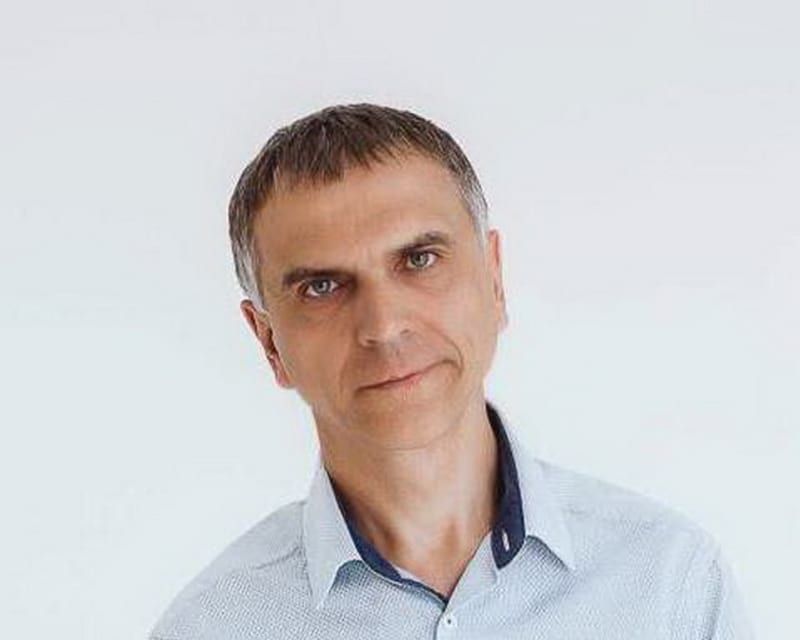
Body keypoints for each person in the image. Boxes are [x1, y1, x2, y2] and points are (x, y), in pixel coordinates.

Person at [149, 104, 755, 639]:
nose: (384, 326)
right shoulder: (210, 629)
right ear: (269, 343)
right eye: (323, 287)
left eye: (419, 259)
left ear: (494, 278)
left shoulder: (669, 583)